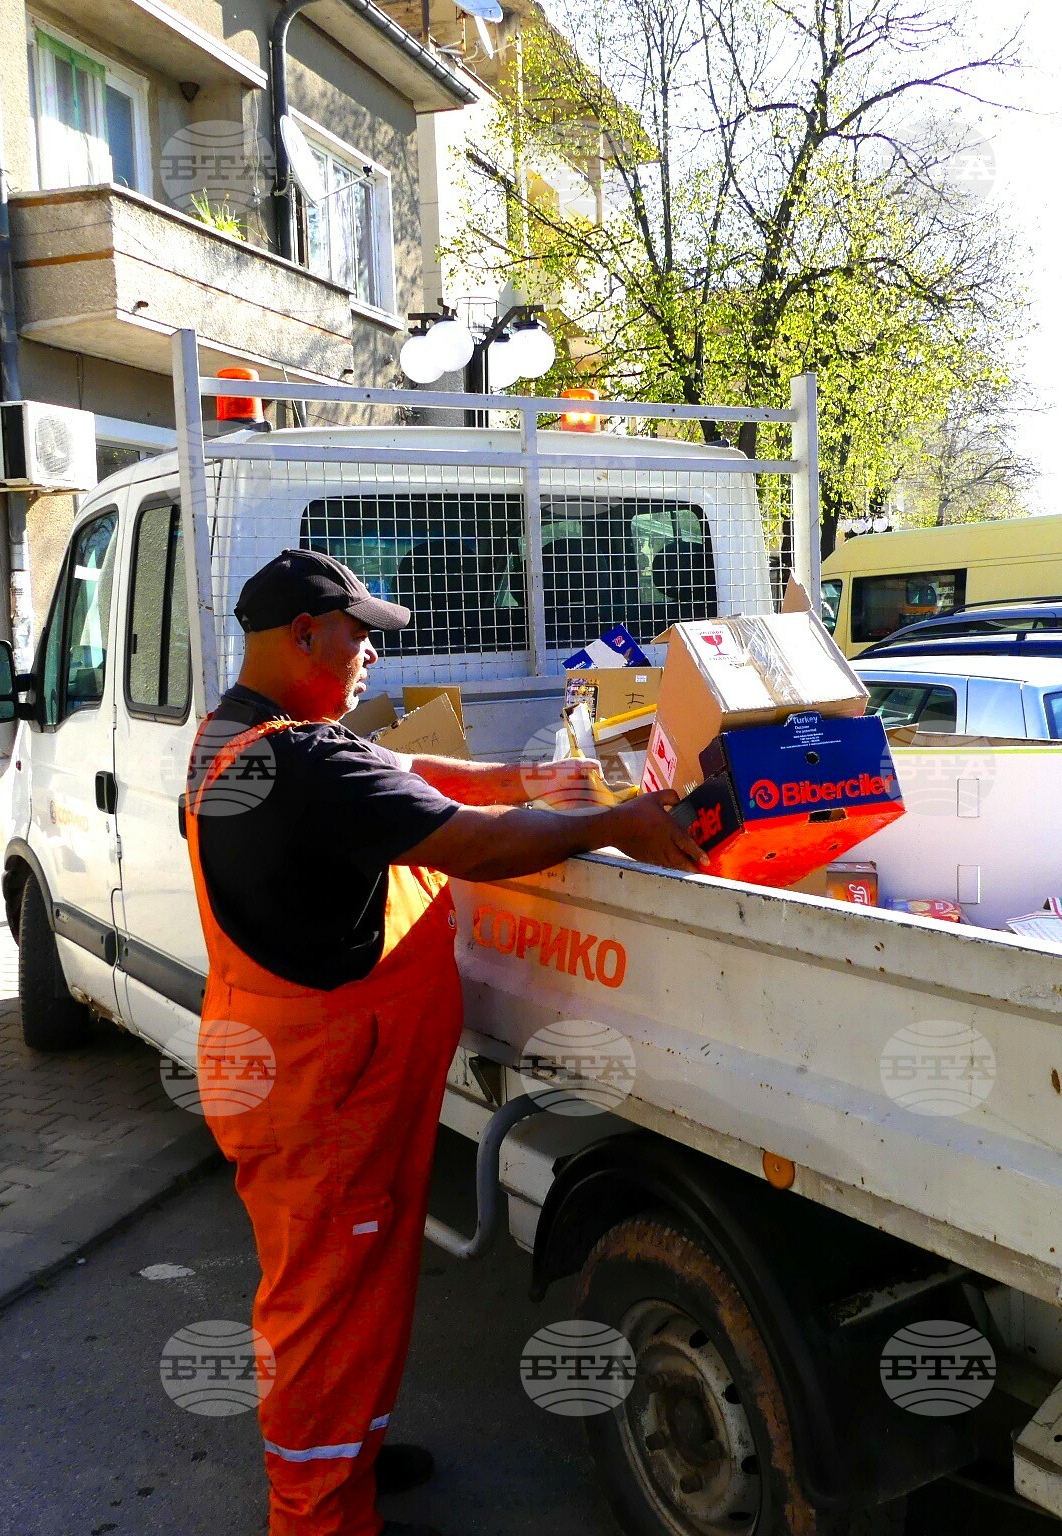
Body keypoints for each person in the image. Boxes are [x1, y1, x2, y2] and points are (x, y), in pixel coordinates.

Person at [184, 549, 705, 1536]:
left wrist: (524, 776)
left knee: (361, 1286)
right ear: (306, 636)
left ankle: (350, 1460)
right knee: (323, 1304)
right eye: (360, 636)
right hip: (323, 1089)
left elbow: (406, 772)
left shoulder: (239, 735)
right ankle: (316, 1518)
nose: (373, 653)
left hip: (297, 1067)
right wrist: (611, 824)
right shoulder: (306, 765)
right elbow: (472, 844)